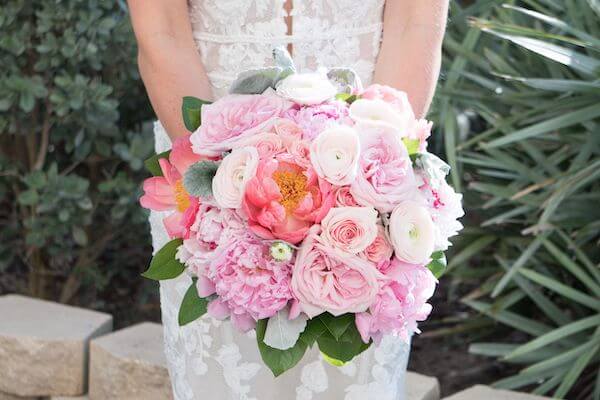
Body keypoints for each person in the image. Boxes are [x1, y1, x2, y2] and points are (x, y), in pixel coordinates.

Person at [128, 1, 448, 399]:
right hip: (210, 152)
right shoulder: (216, 181)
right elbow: (162, 31)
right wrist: (225, 190)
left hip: (364, 169)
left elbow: (414, 24)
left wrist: (370, 172)